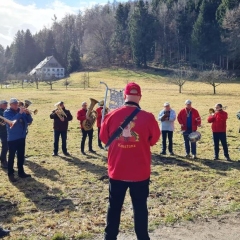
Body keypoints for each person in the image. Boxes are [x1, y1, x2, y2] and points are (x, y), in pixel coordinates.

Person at [100, 82, 160, 240]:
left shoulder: (111, 115)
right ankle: (142, 237)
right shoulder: (148, 117)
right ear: (140, 97)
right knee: (140, 208)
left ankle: (109, 237)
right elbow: (154, 139)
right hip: (140, 172)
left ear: (124, 96)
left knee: (114, 207)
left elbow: (104, 139)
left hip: (117, 171)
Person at [4, 98, 33, 182]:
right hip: (13, 138)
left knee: (21, 156)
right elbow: (12, 121)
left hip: (21, 137)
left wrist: (27, 114)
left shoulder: (21, 111)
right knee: (11, 157)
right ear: (11, 105)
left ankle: (21, 172)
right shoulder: (7, 112)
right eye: (15, 104)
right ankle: (10, 174)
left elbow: (29, 121)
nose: (17, 105)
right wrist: (20, 113)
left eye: (17, 104)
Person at [0, 100, 8, 168]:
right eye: (5, 104)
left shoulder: (4, 110)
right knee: (5, 146)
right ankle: (3, 161)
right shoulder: (2, 111)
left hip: (4, 131)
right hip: (2, 131)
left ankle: (3, 159)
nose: (6, 105)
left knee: (5, 146)